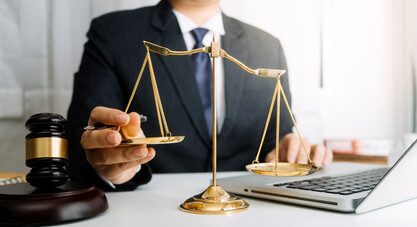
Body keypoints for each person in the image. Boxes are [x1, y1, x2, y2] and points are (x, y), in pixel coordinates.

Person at [67, 0, 333, 191]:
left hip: (250, 210)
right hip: (153, 211)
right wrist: (113, 168)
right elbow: (83, 138)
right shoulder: (113, 33)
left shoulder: (267, 45)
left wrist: (294, 149)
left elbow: (282, 136)